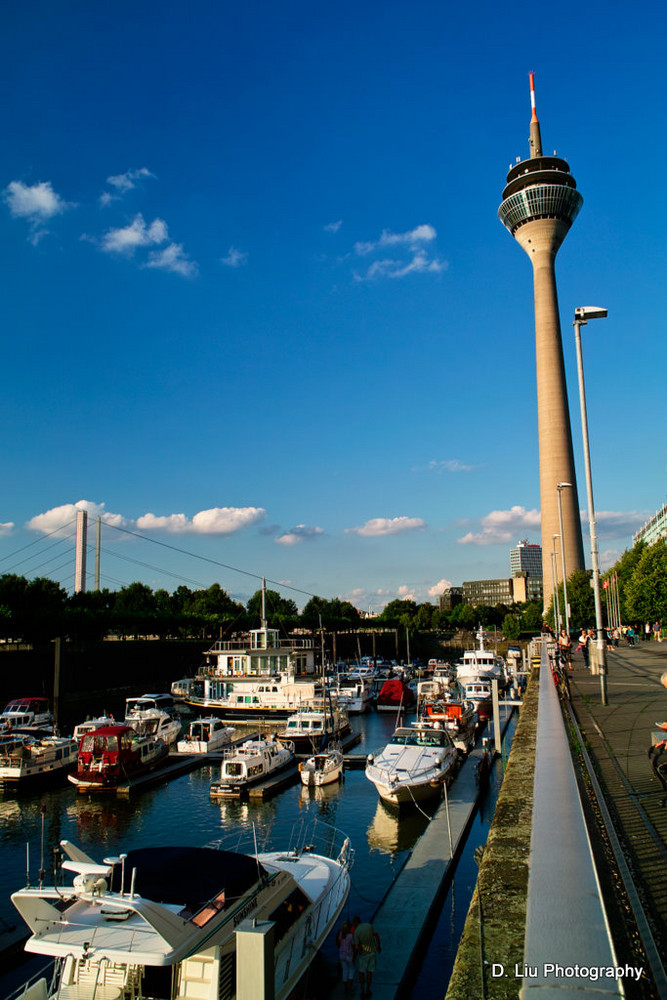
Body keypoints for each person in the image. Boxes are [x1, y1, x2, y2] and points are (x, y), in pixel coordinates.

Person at [353, 915, 381, 998]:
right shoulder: (369, 926)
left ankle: (362, 990)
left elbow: (357, 947)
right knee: (369, 973)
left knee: (361, 973)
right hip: (372, 952)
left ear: (355, 923)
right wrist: (379, 946)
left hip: (363, 955)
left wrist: (354, 957)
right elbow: (377, 935)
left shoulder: (356, 932)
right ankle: (368, 990)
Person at [337, 921, 355, 995]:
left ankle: (345, 989)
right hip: (349, 955)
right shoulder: (350, 936)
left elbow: (338, 942)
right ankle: (350, 989)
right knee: (351, 971)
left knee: (344, 971)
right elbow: (353, 944)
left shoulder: (341, 934)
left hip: (341, 955)